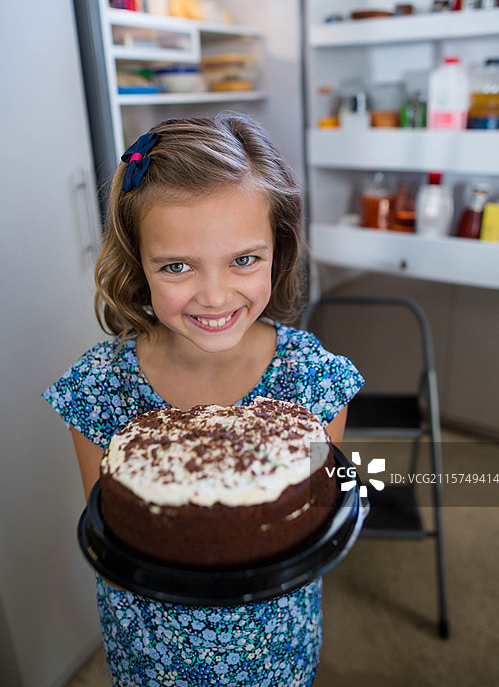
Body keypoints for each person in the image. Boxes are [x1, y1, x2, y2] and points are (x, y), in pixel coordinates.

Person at [43, 113, 364, 687]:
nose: (214, 295)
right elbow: (117, 535)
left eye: (244, 259)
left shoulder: (313, 380)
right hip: (149, 653)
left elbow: (310, 516)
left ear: (279, 248)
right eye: (177, 265)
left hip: (275, 651)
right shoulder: (99, 389)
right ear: (137, 262)